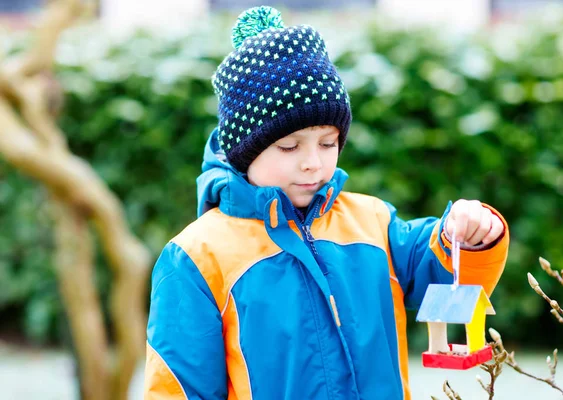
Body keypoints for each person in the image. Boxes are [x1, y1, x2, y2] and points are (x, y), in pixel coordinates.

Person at [144, 6, 509, 400]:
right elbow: (178, 388)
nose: (312, 162)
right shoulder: (196, 258)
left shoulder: (373, 223)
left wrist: (469, 234)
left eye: (328, 142)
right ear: (245, 151)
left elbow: (439, 269)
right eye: (288, 146)